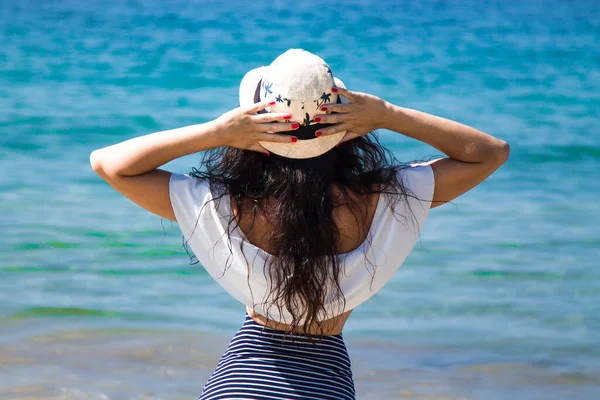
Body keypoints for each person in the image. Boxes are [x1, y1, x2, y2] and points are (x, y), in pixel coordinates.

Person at [90, 49, 509, 400]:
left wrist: (216, 132)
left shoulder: (227, 205)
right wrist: (387, 114)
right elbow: (490, 152)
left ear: (254, 133)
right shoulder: (383, 201)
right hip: (327, 382)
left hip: (240, 383)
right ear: (347, 131)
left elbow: (109, 164)